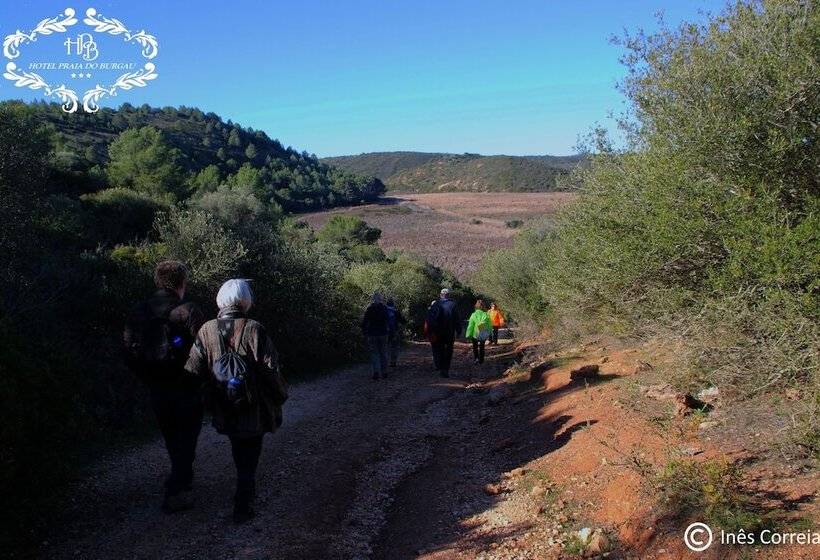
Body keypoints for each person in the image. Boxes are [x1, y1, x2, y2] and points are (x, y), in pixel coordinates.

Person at [185, 279, 288, 523]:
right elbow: (271, 369)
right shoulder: (254, 328)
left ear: (220, 300)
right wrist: (280, 396)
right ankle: (243, 502)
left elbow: (193, 369)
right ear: (246, 300)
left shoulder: (206, 329)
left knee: (238, 447)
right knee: (250, 451)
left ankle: (244, 494)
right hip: (253, 406)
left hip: (224, 405)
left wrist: (206, 397)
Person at [123, 260, 205, 513]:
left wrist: (147, 377)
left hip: (157, 386)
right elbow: (205, 349)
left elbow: (128, 351)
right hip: (187, 386)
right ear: (182, 283)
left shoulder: (138, 310)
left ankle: (182, 478)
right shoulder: (188, 310)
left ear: (157, 281)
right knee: (187, 437)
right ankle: (176, 490)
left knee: (171, 436)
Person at [425, 288, 460, 377]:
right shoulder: (453, 305)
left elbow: (429, 319)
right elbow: (457, 319)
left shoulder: (435, 304)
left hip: (437, 331)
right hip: (449, 332)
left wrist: (429, 331)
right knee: (448, 350)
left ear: (441, 295)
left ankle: (440, 366)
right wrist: (458, 330)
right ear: (449, 295)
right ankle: (445, 370)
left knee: (439, 349)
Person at [361, 292, 390, 379]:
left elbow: (365, 322)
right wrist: (390, 332)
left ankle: (376, 372)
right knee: (383, 353)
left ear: (373, 299)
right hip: (383, 333)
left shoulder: (369, 309)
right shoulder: (384, 308)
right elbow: (388, 320)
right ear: (381, 299)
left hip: (372, 334)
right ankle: (384, 372)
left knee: (374, 353)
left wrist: (364, 333)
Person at [466, 299, 492, 364]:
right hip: (483, 332)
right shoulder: (486, 315)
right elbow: (489, 325)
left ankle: (476, 358)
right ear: (483, 306)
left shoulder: (473, 315)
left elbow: (470, 326)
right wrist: (490, 333)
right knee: (482, 347)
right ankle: (481, 360)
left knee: (475, 347)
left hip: (475, 333)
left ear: (476, 306)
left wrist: (468, 334)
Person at [385, 297, 407, 367]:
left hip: (385, 332)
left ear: (386, 304)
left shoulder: (384, 311)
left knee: (386, 347)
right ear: (393, 304)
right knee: (394, 347)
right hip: (395, 332)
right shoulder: (396, 311)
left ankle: (385, 361)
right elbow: (403, 321)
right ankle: (393, 362)